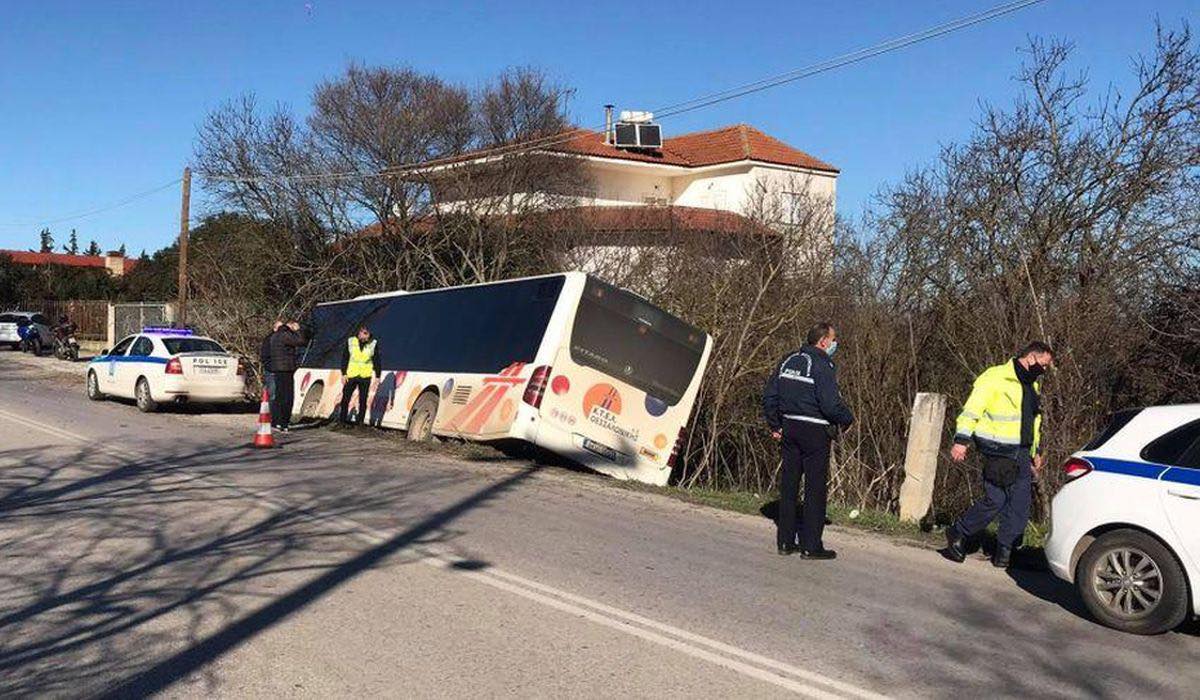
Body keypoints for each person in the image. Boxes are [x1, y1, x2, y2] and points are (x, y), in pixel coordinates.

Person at [944, 341, 1056, 568]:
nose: (1044, 370)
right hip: (998, 449)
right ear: (1031, 358)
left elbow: (1032, 421)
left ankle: (1005, 550)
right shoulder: (995, 377)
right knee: (996, 499)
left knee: (1020, 504)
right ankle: (959, 532)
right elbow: (972, 410)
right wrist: (961, 441)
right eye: (1044, 365)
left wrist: (1036, 450)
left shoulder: (1030, 385)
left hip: (1022, 452)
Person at [763, 322, 854, 559]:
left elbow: (770, 395)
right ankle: (810, 545)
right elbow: (829, 404)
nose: (835, 344)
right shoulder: (823, 364)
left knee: (789, 486)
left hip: (789, 428)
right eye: (833, 339)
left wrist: (775, 424)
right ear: (823, 341)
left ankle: (785, 542)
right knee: (815, 490)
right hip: (814, 432)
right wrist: (847, 418)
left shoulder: (788, 360)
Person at [266, 320, 307, 432]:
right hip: (287, 369)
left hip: (277, 369)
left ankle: (276, 421)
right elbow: (301, 341)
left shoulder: (274, 336)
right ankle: (284, 422)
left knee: (279, 396)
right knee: (288, 397)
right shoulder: (285, 335)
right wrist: (298, 330)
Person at [338, 325, 380, 426]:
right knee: (346, 398)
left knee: (363, 400)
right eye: (365, 334)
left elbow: (377, 360)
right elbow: (345, 358)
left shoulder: (373, 344)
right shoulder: (351, 342)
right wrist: (343, 373)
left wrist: (378, 376)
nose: (366, 337)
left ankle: (360, 422)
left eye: (368, 335)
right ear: (359, 332)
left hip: (365, 376)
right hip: (351, 375)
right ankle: (342, 421)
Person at [260, 321, 283, 406]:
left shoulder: (284, 340)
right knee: (273, 394)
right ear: (274, 328)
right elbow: (265, 356)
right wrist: (271, 367)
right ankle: (273, 415)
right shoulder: (269, 340)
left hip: (281, 370)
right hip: (272, 371)